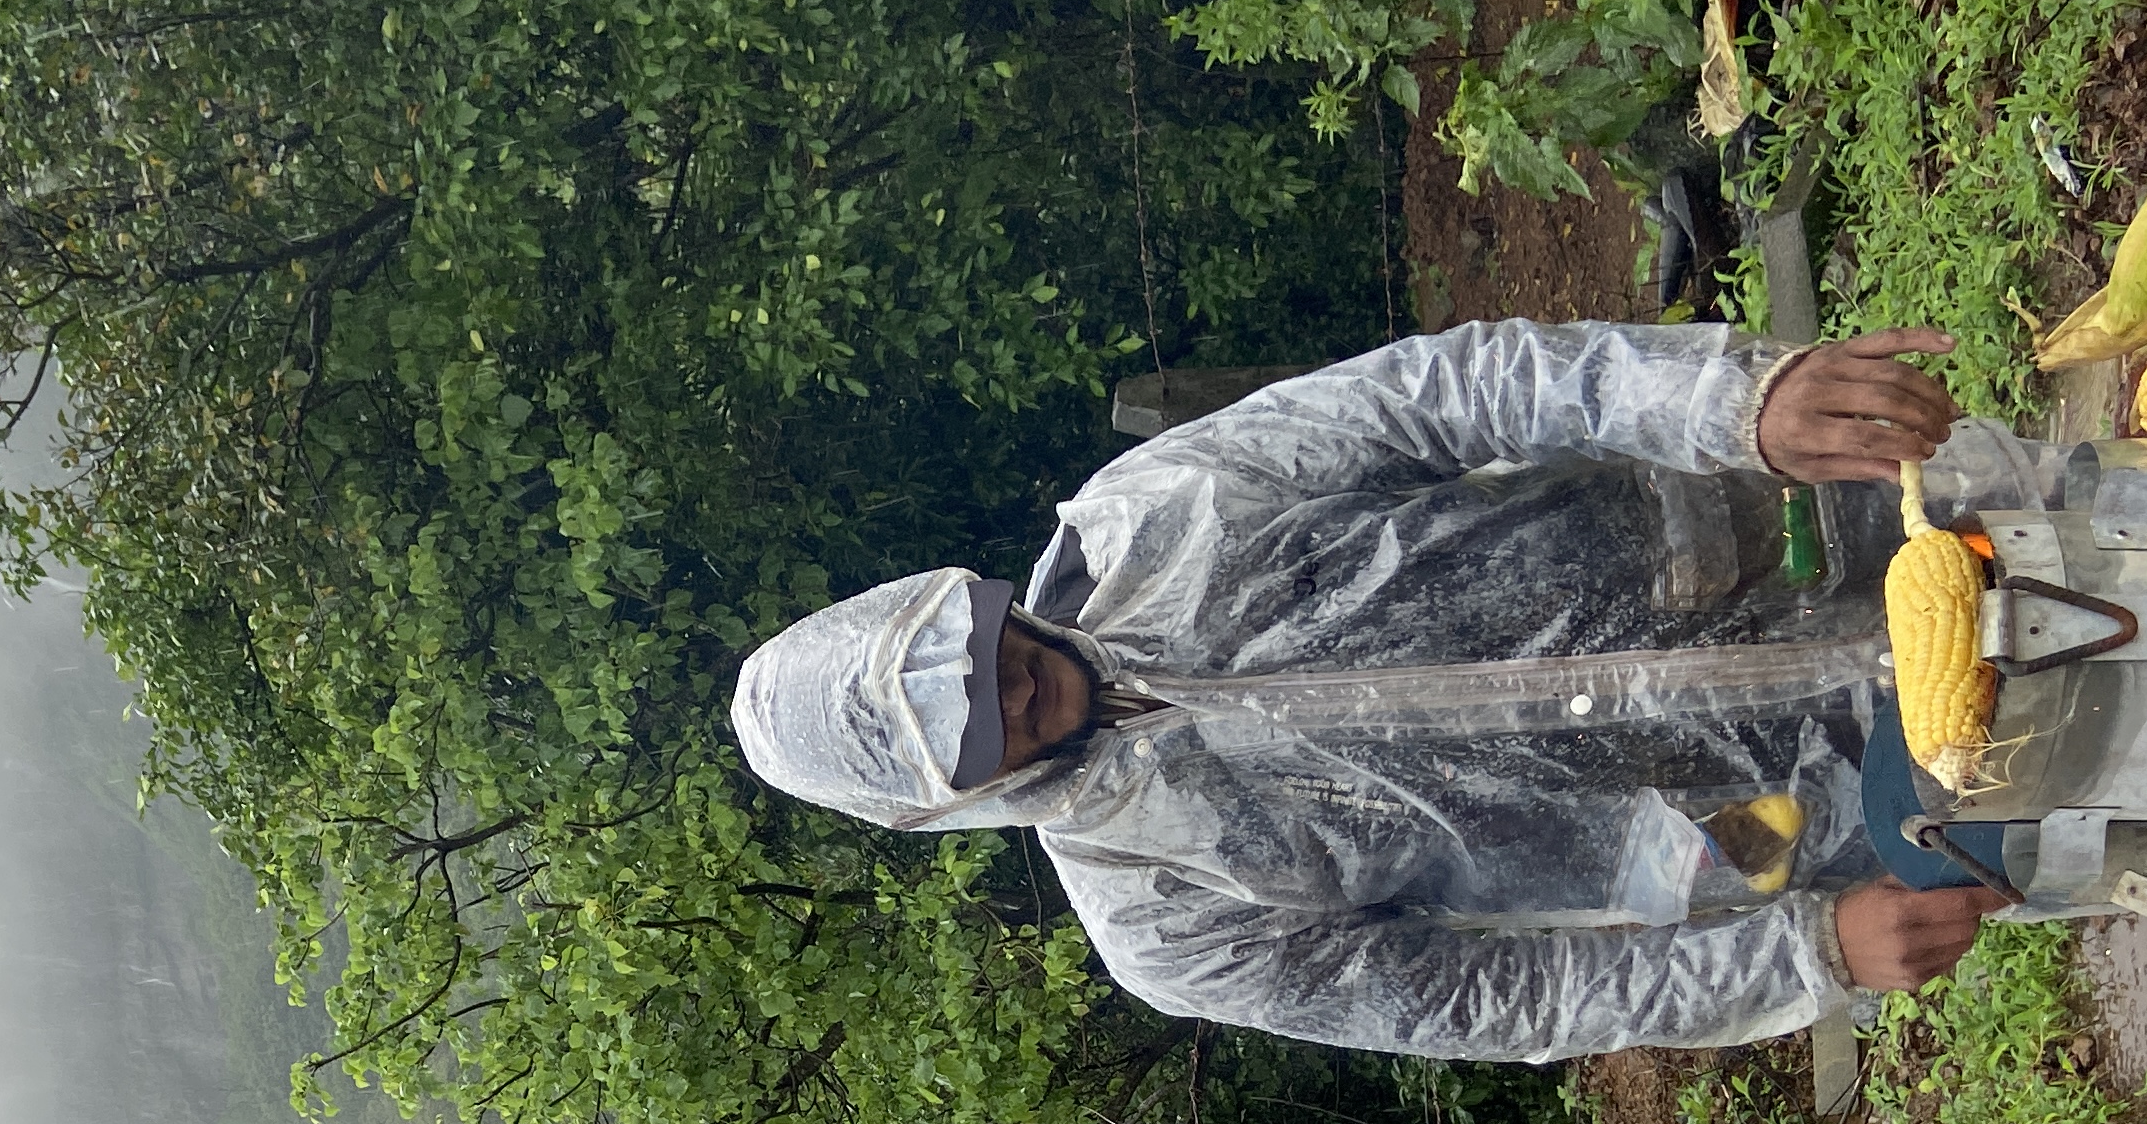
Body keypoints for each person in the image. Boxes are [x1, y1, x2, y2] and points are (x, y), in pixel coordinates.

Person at [728, 319, 2019, 1063]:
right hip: (1771, 823)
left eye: (976, 646)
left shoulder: (1151, 518)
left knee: (2114, 546)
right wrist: (1802, 956)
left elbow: (1439, 398)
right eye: (974, 730)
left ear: (960, 593)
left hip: (1774, 535)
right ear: (951, 803)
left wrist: (1732, 402)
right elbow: (1487, 1001)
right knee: (2113, 796)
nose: (1011, 689)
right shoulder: (1162, 918)